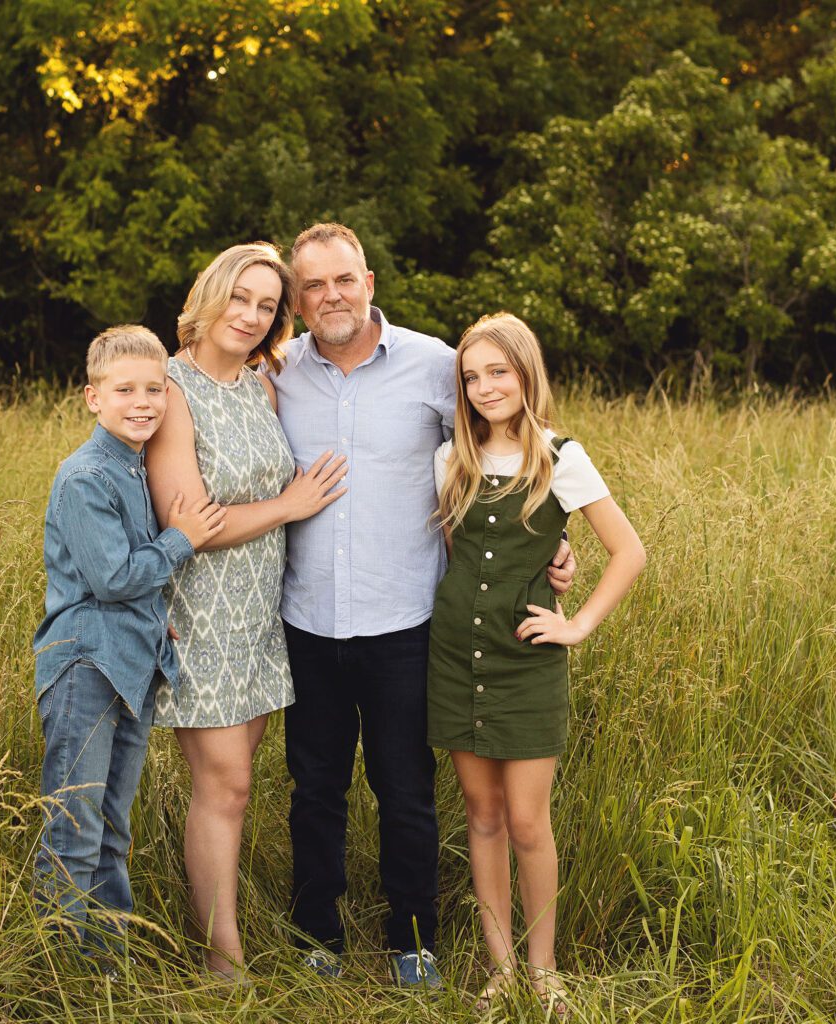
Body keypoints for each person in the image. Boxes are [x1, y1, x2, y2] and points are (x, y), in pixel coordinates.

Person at [269, 224, 577, 988]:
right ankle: (319, 937)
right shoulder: (277, 372)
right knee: (315, 789)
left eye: (344, 279)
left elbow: (512, 456)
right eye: (313, 286)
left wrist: (551, 549)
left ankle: (414, 941)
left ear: (369, 279)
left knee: (405, 791)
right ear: (298, 298)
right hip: (306, 618)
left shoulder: (438, 365)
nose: (331, 296)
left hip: (408, 621)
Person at [428, 313, 646, 1015]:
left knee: (527, 821)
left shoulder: (559, 456)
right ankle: (500, 970)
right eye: (472, 376)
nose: (485, 387)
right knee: (481, 816)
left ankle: (544, 968)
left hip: (527, 662)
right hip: (457, 657)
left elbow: (630, 551)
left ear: (526, 374)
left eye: (498, 372)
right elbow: (462, 560)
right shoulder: (451, 458)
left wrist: (576, 622)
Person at [145, 242, 348, 981]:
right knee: (223, 783)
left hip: (263, 610)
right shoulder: (170, 388)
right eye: (241, 297)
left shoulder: (260, 385)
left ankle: (224, 933)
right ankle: (221, 961)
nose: (251, 315)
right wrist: (290, 504)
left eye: (266, 305)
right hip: (200, 612)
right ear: (212, 293)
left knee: (237, 781)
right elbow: (186, 524)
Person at [33, 325, 226, 964]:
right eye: (124, 390)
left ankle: (104, 961)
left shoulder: (136, 469)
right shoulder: (86, 475)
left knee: (114, 827)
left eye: (154, 389)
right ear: (93, 398)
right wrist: (183, 539)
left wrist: (154, 615)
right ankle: (59, 970)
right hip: (87, 666)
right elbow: (112, 577)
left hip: (133, 664)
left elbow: (126, 582)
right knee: (76, 826)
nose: (142, 402)